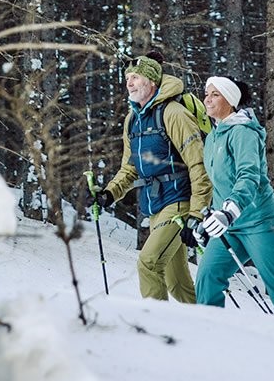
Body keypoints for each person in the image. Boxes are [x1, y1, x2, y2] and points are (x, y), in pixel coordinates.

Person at [188, 75, 274, 316]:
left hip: (263, 223)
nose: (207, 99)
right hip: (231, 226)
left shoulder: (243, 132)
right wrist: (205, 222)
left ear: (230, 100)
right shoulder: (212, 138)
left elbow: (249, 175)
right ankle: (210, 339)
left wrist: (229, 211)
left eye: (215, 94)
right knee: (208, 277)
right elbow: (217, 184)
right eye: (207, 93)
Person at [89, 54, 212, 303]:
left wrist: (197, 214)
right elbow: (130, 167)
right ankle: (212, 329)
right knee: (178, 284)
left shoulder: (174, 114)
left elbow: (200, 166)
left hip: (179, 203)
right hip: (155, 207)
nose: (129, 83)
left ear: (152, 82)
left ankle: (155, 332)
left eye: (135, 78)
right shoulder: (132, 120)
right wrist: (109, 193)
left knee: (148, 264)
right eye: (127, 78)